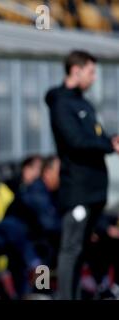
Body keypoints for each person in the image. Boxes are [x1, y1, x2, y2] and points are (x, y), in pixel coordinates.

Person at [45, 50, 119, 299]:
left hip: (95, 189)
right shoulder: (61, 103)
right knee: (71, 249)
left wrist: (110, 141)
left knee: (84, 249)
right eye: (91, 72)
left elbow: (94, 136)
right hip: (78, 190)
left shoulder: (84, 104)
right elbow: (75, 141)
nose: (94, 78)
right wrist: (108, 145)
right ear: (75, 71)